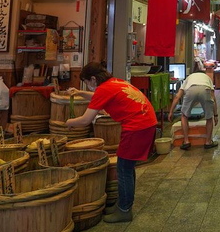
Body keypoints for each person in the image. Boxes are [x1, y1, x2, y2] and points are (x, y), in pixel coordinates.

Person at [65, 62, 157, 223]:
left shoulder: (104, 89)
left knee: (123, 168)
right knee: (127, 167)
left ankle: (124, 210)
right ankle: (122, 204)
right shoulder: (115, 83)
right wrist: (79, 93)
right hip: (146, 123)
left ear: (93, 79)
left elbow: (86, 120)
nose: (88, 86)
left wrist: (68, 122)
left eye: (86, 82)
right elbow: (98, 97)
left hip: (137, 127)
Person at [168, 66, 219, 149]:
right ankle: (208, 142)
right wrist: (216, 115)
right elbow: (213, 98)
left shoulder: (189, 78)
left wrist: (171, 112)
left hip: (191, 89)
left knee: (184, 116)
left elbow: (177, 97)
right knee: (209, 118)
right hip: (205, 89)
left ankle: (186, 141)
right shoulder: (207, 78)